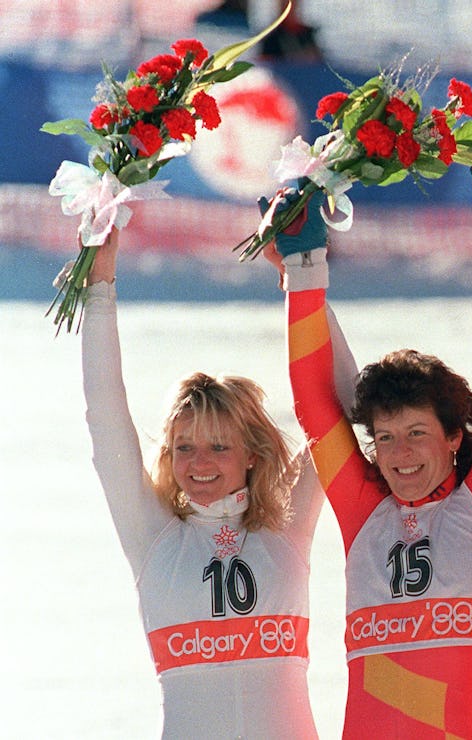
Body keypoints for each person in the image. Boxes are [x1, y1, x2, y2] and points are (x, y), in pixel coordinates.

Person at [267, 143, 472, 737]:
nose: (400, 453)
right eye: (385, 438)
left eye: (417, 433)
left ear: (453, 437)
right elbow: (317, 409)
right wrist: (303, 270)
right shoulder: (365, 511)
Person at [79, 228, 357, 738]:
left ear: (252, 454)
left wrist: (302, 284)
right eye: (185, 446)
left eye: (218, 446)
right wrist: (99, 285)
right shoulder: (154, 537)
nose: (198, 462)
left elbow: (343, 403)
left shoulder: (286, 524)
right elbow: (105, 416)